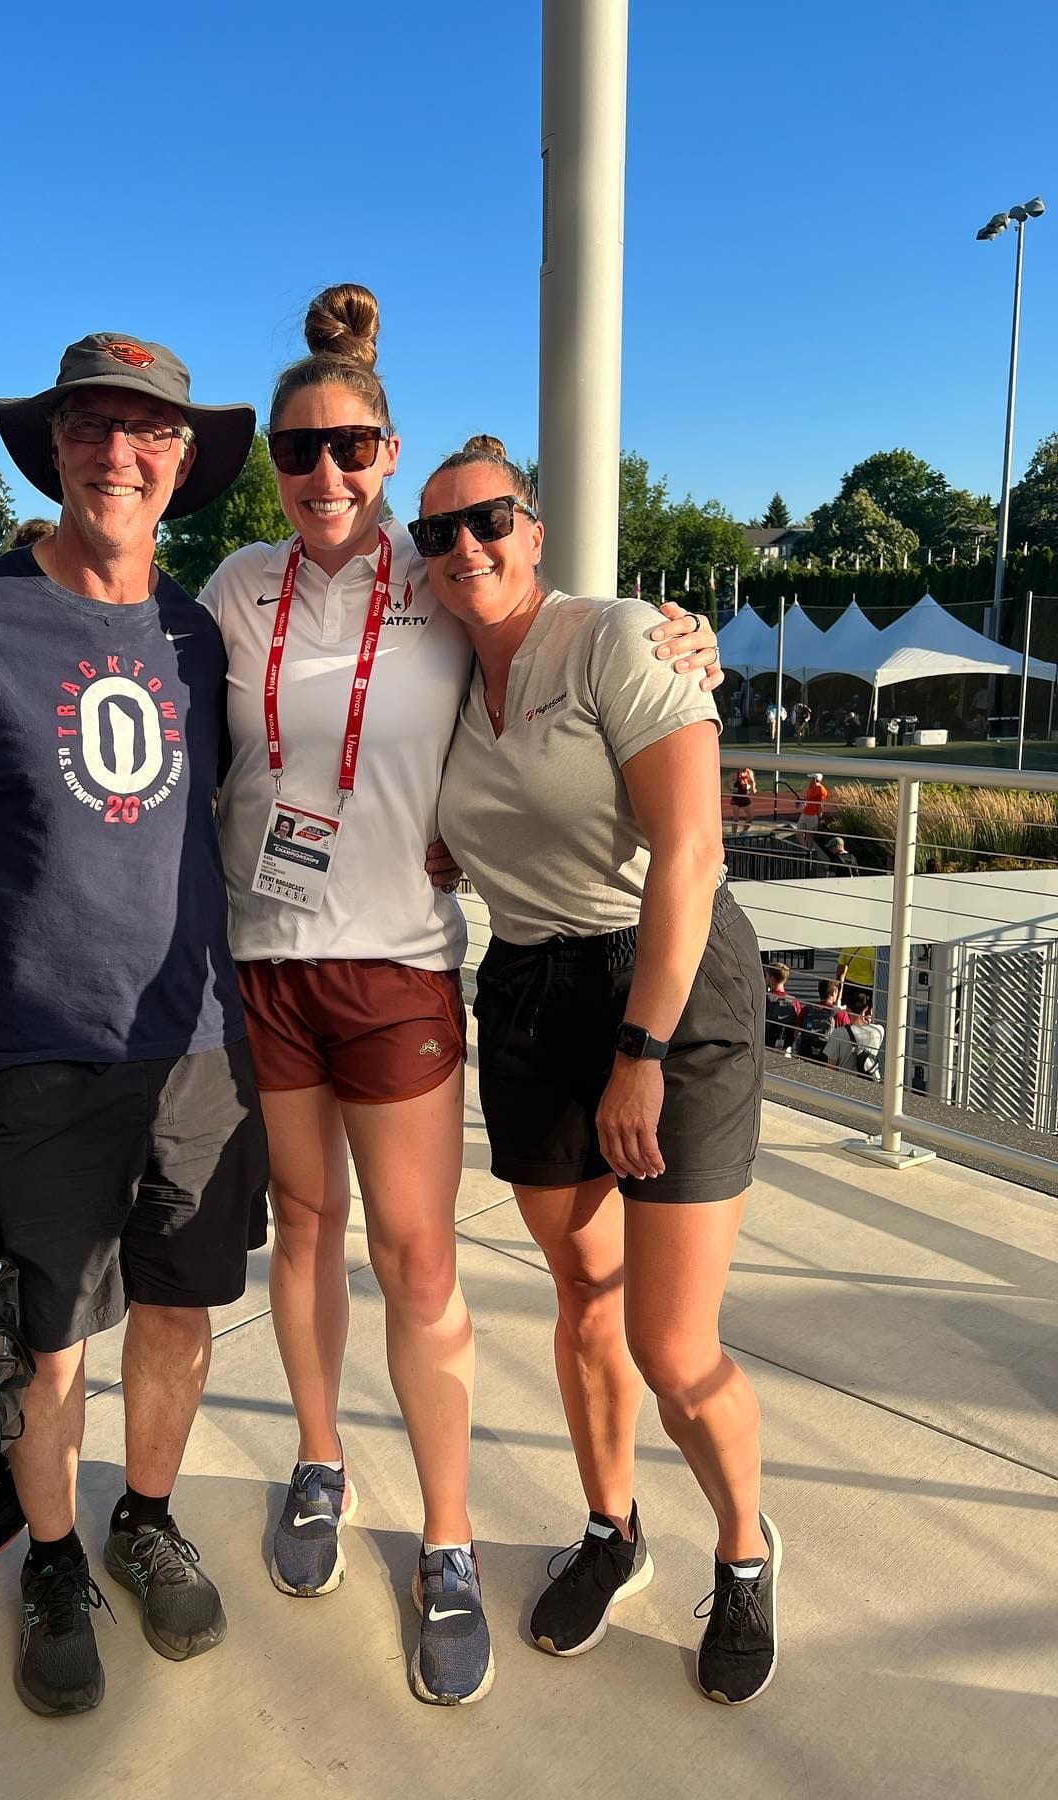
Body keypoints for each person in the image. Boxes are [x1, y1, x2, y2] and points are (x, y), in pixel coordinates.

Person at [197, 286, 724, 1707]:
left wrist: (685, 642)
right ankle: (319, 1457)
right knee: (303, 1230)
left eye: (351, 448)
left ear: (388, 448)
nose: (324, 478)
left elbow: (551, 626)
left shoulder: (434, 585)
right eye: (299, 455)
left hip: (399, 966)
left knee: (421, 1263)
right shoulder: (236, 588)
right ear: (274, 469)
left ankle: (442, 1540)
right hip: (265, 961)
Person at [0, 332, 268, 1717]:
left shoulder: (202, 633)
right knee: (50, 1341)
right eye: (92, 426)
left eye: (148, 432)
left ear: (181, 464)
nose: (119, 452)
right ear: (55, 450)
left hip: (197, 1044)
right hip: (31, 1050)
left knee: (179, 1312)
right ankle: (51, 1557)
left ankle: (144, 1513)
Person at [417, 436, 778, 1707]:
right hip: (527, 990)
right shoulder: (450, 667)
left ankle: (743, 1550)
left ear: (537, 526)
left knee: (674, 1344)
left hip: (666, 989)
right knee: (581, 1292)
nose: (466, 549)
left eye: (490, 521)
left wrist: (642, 1052)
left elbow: (689, 855)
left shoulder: (621, 641)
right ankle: (614, 1526)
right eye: (441, 533)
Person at [826, 994, 883, 1081]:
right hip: (869, 1084)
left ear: (847, 1010)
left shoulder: (838, 1034)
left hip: (844, 1085)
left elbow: (830, 1069)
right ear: (866, 1008)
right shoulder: (878, 1031)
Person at [796, 979, 848, 1061]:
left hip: (806, 1054)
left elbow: (796, 1033)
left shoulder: (807, 1010)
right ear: (834, 992)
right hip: (828, 1058)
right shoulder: (840, 1014)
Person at [764, 962, 804, 1054]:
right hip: (786, 1045)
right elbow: (798, 1025)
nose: (765, 979)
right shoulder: (794, 1001)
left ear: (772, 979)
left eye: (767, 976)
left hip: (768, 1042)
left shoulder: (767, 999)